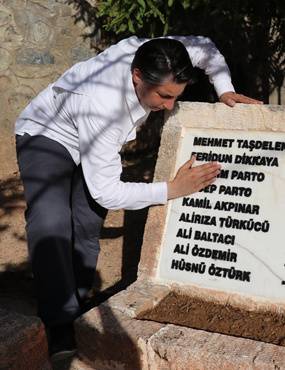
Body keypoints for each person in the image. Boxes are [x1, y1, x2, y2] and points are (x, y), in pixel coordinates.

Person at [14, 35, 262, 361]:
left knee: (87, 222)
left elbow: (206, 46)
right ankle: (58, 321)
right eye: (164, 96)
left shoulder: (168, 53)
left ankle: (75, 304)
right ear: (137, 76)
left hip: (96, 139)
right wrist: (171, 189)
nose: (170, 106)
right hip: (49, 134)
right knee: (51, 218)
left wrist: (224, 88)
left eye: (177, 96)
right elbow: (107, 190)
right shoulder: (101, 103)